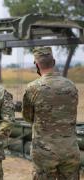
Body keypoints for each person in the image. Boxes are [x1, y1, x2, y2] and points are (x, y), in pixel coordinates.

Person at [22, 47, 80, 180]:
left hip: (44, 152)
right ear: (53, 62)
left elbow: (27, 117)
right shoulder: (71, 85)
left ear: (37, 65)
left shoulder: (33, 88)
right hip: (69, 150)